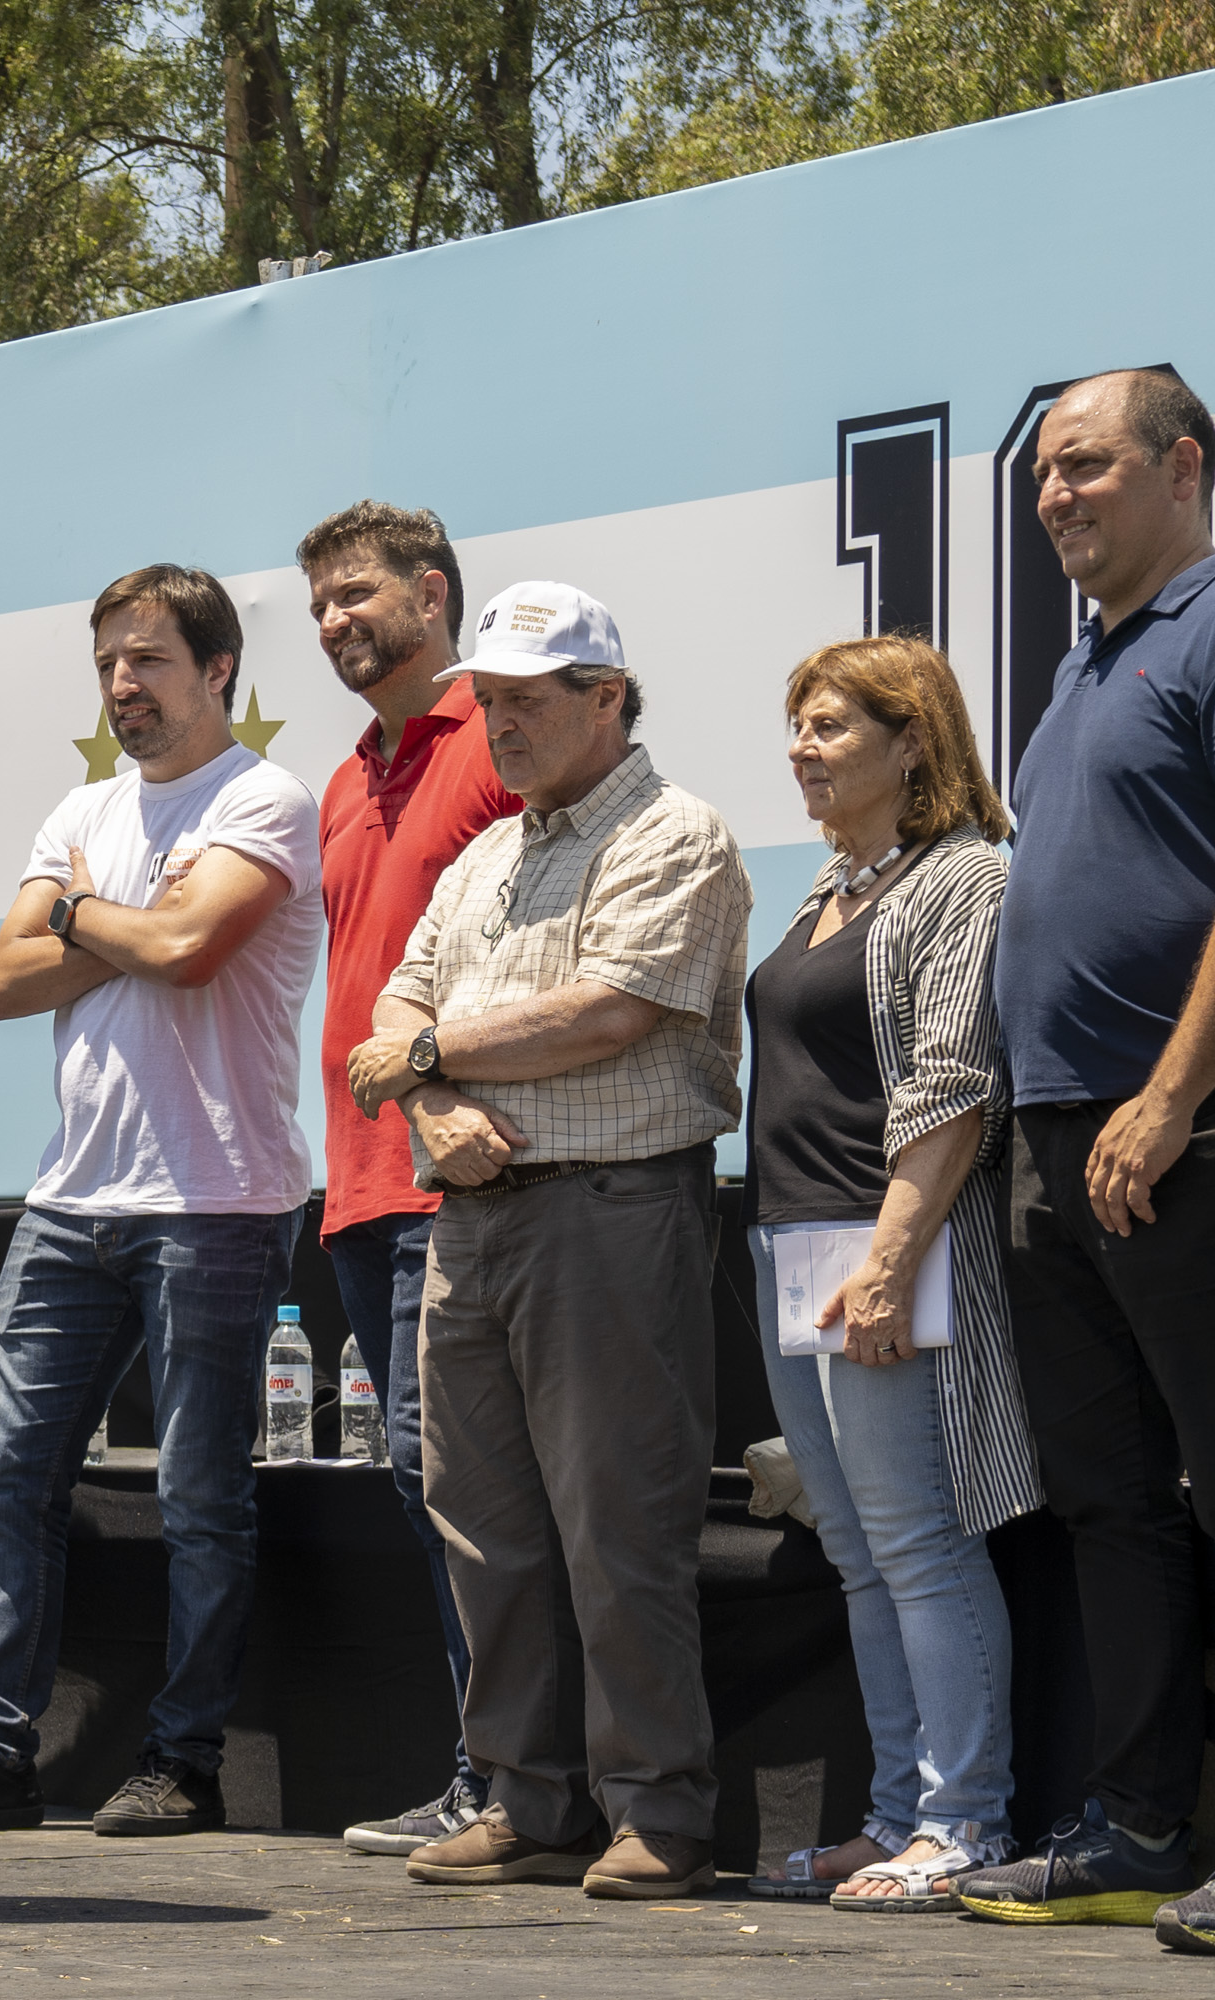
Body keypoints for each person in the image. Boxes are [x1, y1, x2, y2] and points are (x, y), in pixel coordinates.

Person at [0, 565, 319, 1843]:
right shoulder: (80, 807)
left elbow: (190, 949)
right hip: (72, 1197)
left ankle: (184, 1759)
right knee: (11, 1475)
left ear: (219, 669)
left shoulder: (265, 798)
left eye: (149, 659)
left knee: (200, 1496)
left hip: (217, 1199)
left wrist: (76, 909)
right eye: (109, 664)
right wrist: (125, 920)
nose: (124, 683)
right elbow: (2, 983)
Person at [346, 580, 751, 1899]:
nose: (502, 724)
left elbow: (609, 1010)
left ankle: (659, 1809)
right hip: (470, 1221)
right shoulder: (486, 856)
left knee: (618, 1523)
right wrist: (435, 1105)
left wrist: (424, 1061)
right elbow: (394, 1010)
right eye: (491, 702)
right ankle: (528, 1797)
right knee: (484, 1526)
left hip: (612, 1209)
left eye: (527, 700)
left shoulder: (675, 833)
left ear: (607, 697)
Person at [964, 368, 1215, 1936]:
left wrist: (1175, 1096)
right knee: (1112, 1504)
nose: (1056, 494)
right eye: (1046, 472)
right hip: (1058, 1146)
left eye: (1088, 465)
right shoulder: (1083, 663)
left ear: (1183, 468)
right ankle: (1141, 1830)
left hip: (1178, 1135)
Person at [729, 637, 1034, 1911]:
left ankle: (963, 1820)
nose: (802, 747)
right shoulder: (826, 888)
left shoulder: (966, 876)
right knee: (858, 1549)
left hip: (887, 1242)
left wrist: (890, 1259)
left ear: (913, 742)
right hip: (789, 1242)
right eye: (798, 724)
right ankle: (897, 1813)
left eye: (832, 725)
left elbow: (956, 1082)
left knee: (920, 1540)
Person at [298, 505, 521, 1859]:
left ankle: (512, 1780)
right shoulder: (343, 778)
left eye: (358, 594)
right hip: (359, 1189)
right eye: (320, 603)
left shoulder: (501, 738)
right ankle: (489, 1771)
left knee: (468, 1491)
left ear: (434, 595)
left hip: (463, 1180)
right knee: (428, 1491)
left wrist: (446, 1104)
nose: (334, 620)